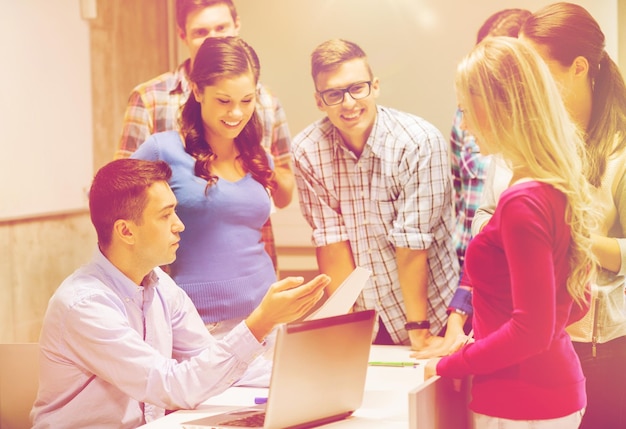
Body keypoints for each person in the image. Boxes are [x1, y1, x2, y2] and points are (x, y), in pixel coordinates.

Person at [30, 158, 329, 428]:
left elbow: (212, 363)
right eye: (165, 215)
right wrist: (259, 323)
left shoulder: (158, 283)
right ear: (126, 231)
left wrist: (311, 375)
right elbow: (173, 386)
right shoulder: (85, 306)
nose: (180, 225)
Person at [424, 36, 596, 428]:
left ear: (501, 108)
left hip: (521, 401)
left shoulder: (523, 201)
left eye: (467, 110)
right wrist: (486, 340)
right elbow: (576, 303)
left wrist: (451, 363)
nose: (464, 125)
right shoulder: (555, 184)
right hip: (552, 390)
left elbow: (530, 331)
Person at [471, 3, 626, 428]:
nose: (523, 81)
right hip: (521, 344)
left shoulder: (619, 150)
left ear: (578, 67)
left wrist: (564, 237)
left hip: (599, 349)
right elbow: (484, 215)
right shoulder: (515, 137)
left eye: (534, 68)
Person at [291, 38, 458, 350]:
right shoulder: (308, 150)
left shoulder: (419, 143)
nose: (349, 103)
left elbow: (412, 243)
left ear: (375, 86)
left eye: (357, 88)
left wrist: (419, 329)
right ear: (319, 101)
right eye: (334, 94)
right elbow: (331, 243)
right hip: (371, 319)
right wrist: (346, 329)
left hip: (434, 314)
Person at [116, 0, 294, 270]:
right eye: (201, 32)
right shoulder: (150, 98)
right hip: (179, 276)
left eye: (222, 28)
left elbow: (283, 186)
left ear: (237, 27)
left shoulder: (266, 101)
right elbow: (120, 192)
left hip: (257, 269)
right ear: (182, 35)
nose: (214, 39)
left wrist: (259, 161)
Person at [131, 37, 278, 343]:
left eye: (247, 100)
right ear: (197, 91)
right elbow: (114, 217)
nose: (236, 113)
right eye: (224, 101)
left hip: (267, 319)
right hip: (201, 327)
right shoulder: (162, 150)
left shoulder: (260, 158)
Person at [417, 8, 531, 358]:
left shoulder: (536, 141)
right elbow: (466, 212)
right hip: (466, 278)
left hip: (515, 290)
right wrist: (458, 307)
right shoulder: (464, 120)